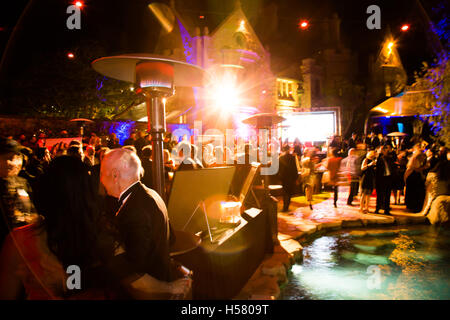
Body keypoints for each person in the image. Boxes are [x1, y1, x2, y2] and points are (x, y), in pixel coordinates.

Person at [0, 156, 189, 299]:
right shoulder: (100, 235)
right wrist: (172, 287)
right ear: (85, 194)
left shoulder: (19, 241)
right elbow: (136, 282)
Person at [100, 149, 175, 283]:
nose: (101, 180)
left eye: (102, 173)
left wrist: (82, 278)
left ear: (115, 175)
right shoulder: (151, 193)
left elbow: (134, 264)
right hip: (160, 277)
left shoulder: (136, 208)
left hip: (149, 289)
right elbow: (172, 238)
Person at [0, 138, 37, 248]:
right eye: (9, 158)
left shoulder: (22, 182)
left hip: (23, 244)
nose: (14, 163)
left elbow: (31, 209)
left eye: (17, 157)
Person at [404, 144, 427, 213]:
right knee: (414, 191)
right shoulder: (418, 155)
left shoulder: (417, 155)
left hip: (412, 174)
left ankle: (412, 206)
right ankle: (414, 206)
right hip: (414, 175)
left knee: (413, 191)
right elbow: (416, 167)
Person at [375, 145, 395, 215]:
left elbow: (394, 160)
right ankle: (377, 209)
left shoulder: (389, 158)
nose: (386, 151)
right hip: (381, 178)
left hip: (388, 178)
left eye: (387, 150)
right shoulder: (378, 158)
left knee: (387, 195)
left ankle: (386, 210)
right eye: (385, 150)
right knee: (380, 195)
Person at [278, 145, 298, 212]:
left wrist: (279, 177)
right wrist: (296, 178)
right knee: (289, 192)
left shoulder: (281, 158)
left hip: (284, 177)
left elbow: (279, 168)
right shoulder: (292, 157)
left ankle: (285, 207)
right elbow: (295, 168)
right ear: (289, 149)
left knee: (285, 192)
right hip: (291, 177)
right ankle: (287, 206)